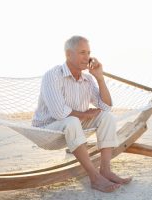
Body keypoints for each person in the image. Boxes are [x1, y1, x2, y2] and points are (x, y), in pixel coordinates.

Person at [32, 35, 132, 192]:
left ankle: (105, 170)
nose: (87, 58)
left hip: (71, 126)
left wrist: (99, 78)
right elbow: (59, 113)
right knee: (71, 121)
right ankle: (94, 177)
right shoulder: (53, 75)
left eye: (89, 52)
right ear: (68, 54)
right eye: (82, 52)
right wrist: (84, 115)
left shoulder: (87, 79)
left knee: (107, 117)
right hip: (46, 130)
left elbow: (106, 107)